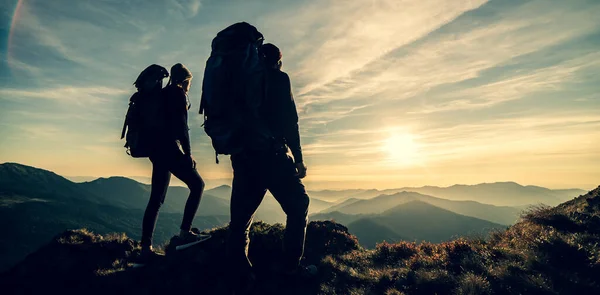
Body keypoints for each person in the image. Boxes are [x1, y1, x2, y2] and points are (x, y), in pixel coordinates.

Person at [227, 43, 312, 280]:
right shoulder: (279, 79)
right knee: (299, 204)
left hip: (243, 158)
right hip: (272, 157)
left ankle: (239, 272)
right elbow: (290, 121)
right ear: (277, 61)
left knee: (241, 219)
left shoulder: (239, 81)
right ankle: (290, 267)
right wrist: (299, 158)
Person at [138, 63, 210, 263]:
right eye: (189, 84)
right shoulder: (177, 94)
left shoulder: (161, 94)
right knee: (198, 185)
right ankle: (185, 232)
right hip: (169, 149)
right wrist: (188, 154)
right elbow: (182, 127)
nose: (189, 87)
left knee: (156, 199)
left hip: (156, 150)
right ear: (185, 81)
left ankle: (145, 247)